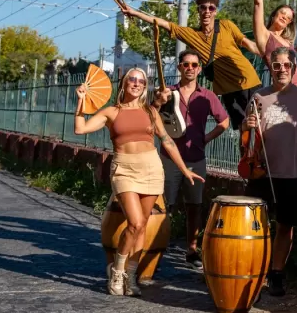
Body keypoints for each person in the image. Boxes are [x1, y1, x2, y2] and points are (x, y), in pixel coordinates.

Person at [74, 68, 205, 296]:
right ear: (124, 83)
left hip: (152, 168)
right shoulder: (111, 112)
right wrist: (81, 102)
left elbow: (167, 141)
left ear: (145, 86)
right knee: (134, 223)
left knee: (142, 225)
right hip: (124, 169)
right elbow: (80, 128)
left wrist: (185, 170)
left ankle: (131, 275)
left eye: (141, 81)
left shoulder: (150, 112)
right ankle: (117, 271)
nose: (136, 83)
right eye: (132, 79)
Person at [242, 47, 297, 297]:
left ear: (294, 67)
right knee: (255, 228)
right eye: (277, 66)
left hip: (293, 173)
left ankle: (276, 273)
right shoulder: (258, 97)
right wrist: (246, 125)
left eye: (287, 65)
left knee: (286, 226)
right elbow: (245, 139)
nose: (282, 70)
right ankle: (253, 272)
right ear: (271, 68)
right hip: (262, 172)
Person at [115, 0, 262, 130]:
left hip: (248, 80)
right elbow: (164, 24)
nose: (207, 11)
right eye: (203, 8)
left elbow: (247, 43)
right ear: (198, 10)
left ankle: (263, 156)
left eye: (211, 8)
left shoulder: (226, 25)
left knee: (261, 124)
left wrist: (264, 54)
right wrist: (134, 13)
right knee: (244, 128)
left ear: (215, 11)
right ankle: (247, 158)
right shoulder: (192, 35)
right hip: (227, 90)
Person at [152, 50, 229, 270]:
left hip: (196, 158)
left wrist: (205, 139)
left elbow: (223, 122)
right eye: (186, 64)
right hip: (169, 158)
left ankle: (192, 251)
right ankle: (157, 246)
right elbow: (151, 115)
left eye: (194, 65)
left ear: (199, 69)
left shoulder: (208, 96)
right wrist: (158, 102)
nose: (190, 68)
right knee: (164, 205)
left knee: (194, 207)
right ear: (179, 67)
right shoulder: (167, 93)